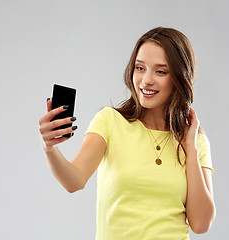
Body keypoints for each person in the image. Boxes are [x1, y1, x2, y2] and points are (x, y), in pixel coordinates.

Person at [39, 26, 216, 240]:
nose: (146, 80)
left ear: (180, 77)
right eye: (140, 68)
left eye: (160, 71)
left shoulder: (195, 141)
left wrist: (190, 148)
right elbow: (74, 181)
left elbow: (201, 224)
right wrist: (50, 148)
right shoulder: (110, 121)